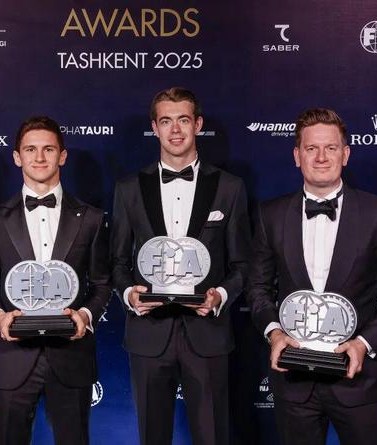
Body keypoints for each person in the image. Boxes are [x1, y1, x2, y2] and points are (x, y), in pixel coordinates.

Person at [246, 108, 377, 445]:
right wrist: (274, 333)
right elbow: (257, 287)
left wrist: (363, 343)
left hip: (358, 380)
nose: (321, 157)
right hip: (293, 378)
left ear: (345, 154)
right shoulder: (271, 214)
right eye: (311, 148)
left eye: (330, 148)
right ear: (297, 156)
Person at [110, 87, 251, 444]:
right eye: (166, 121)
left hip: (207, 334)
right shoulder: (128, 189)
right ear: (154, 128)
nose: (175, 130)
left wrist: (220, 296)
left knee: (212, 436)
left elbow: (242, 264)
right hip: (148, 333)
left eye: (183, 120)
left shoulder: (230, 188)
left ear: (198, 125)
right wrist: (129, 295)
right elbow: (117, 261)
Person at [0, 116, 111, 445]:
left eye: (48, 149)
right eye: (30, 149)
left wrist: (85, 315)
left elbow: (102, 283)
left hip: (71, 355)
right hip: (13, 357)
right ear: (17, 157)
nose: (39, 157)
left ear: (62, 156)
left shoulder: (91, 218)